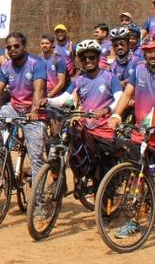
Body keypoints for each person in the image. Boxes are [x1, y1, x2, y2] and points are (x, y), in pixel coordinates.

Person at [108, 33, 155, 241]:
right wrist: (116, 114)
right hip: (140, 134)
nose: (152, 54)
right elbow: (127, 94)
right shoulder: (138, 69)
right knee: (136, 178)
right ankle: (133, 222)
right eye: (149, 51)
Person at [45, 39, 120, 187]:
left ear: (98, 58)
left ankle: (107, 198)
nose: (88, 61)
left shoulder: (110, 78)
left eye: (91, 57)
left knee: (104, 167)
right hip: (86, 128)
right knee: (54, 143)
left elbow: (119, 99)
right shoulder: (79, 80)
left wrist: (106, 110)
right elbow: (63, 99)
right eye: (84, 58)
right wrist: (46, 101)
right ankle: (61, 181)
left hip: (104, 130)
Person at [0, 32, 46, 179]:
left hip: (34, 112)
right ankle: (0, 158)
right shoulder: (6, 67)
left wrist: (35, 110)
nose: (13, 49)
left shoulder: (36, 63)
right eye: (9, 47)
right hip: (14, 108)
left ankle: (37, 200)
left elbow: (39, 89)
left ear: (24, 46)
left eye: (17, 46)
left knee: (36, 158)